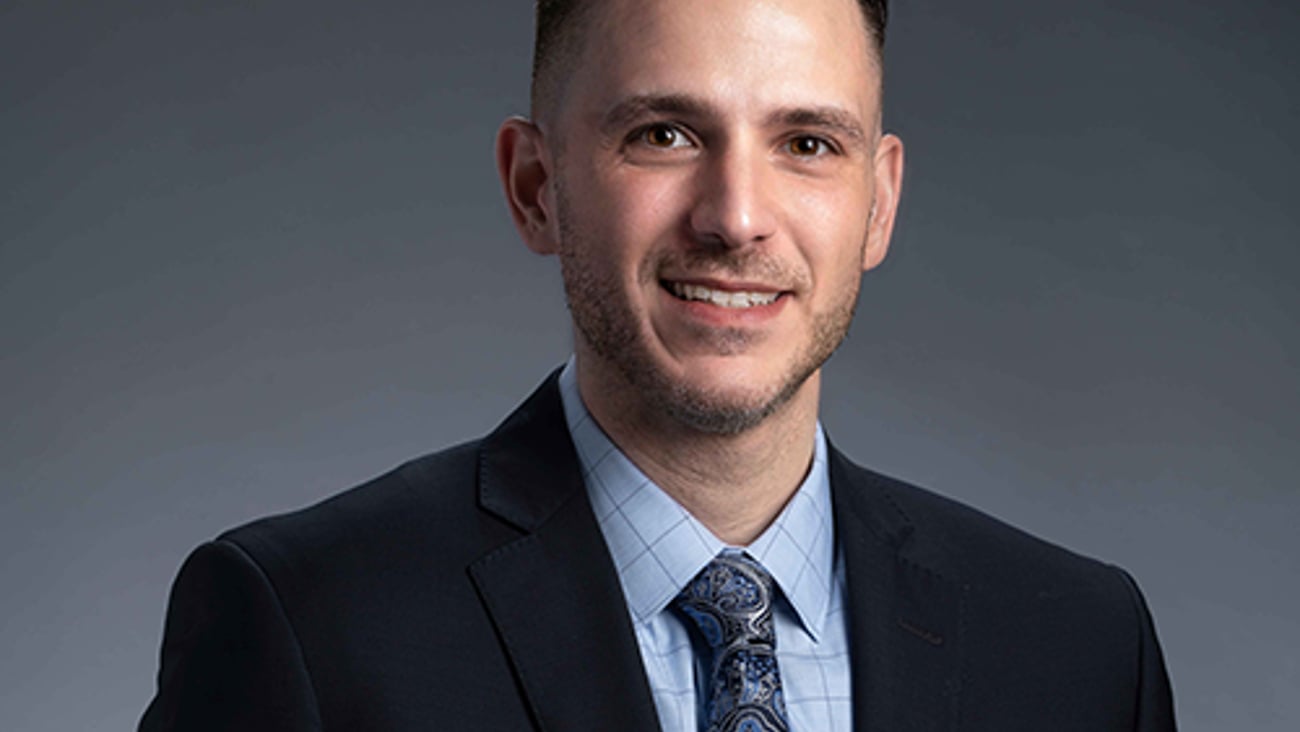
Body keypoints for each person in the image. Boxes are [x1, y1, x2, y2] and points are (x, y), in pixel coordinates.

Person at [140, 0, 1176, 729]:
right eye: (665, 133)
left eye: (807, 143)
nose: (734, 216)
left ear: (879, 202)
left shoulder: (1080, 651)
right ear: (535, 186)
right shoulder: (310, 626)